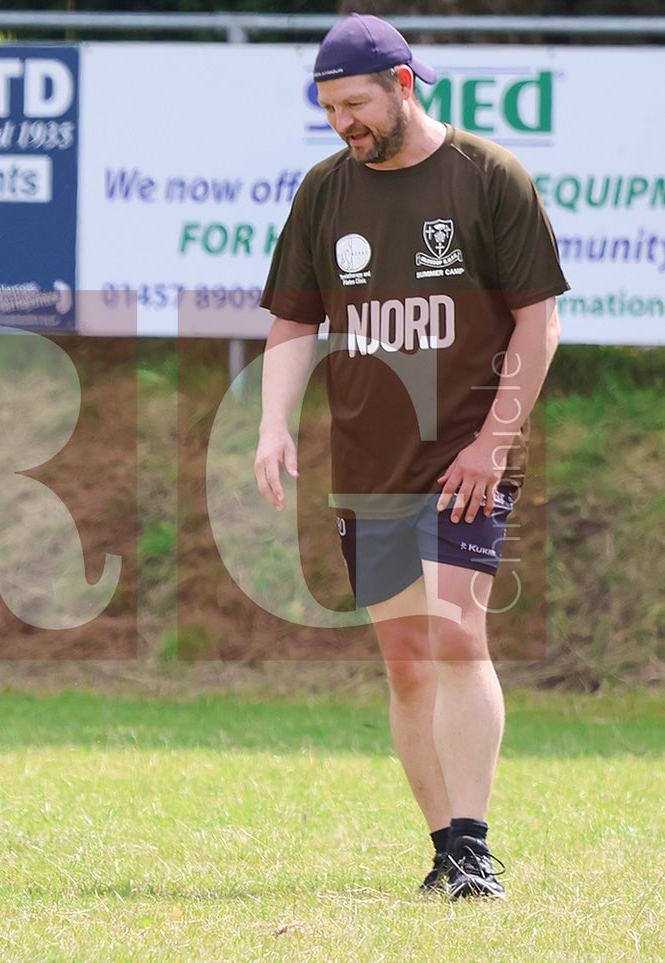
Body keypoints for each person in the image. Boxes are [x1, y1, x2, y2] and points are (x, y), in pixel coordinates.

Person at [253, 14, 567, 900]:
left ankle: (473, 845)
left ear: (401, 85)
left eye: (353, 105)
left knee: (456, 634)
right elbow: (292, 318)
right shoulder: (324, 190)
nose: (341, 124)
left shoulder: (487, 175)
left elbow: (538, 321)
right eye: (327, 110)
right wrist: (273, 424)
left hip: (466, 454)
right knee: (403, 659)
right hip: (367, 461)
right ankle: (440, 849)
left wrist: (491, 442)